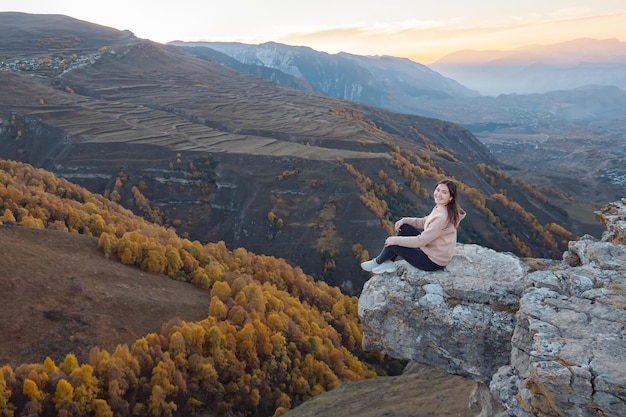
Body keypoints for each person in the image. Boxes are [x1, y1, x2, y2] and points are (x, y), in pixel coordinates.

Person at [361, 179, 466, 274]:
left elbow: (420, 241)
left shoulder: (442, 217)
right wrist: (405, 220)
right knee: (405, 227)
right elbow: (425, 221)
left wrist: (394, 240)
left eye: (444, 192)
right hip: (432, 249)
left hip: (433, 261)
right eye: (438, 190)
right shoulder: (442, 208)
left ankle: (378, 261)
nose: (438, 194)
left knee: (394, 244)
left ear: (451, 197)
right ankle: (388, 262)